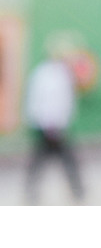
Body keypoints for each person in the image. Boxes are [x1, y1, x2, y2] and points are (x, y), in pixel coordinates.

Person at [24, 33, 85, 204]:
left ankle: (77, 191)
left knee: (54, 160)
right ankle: (76, 191)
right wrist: (49, 125)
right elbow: (44, 101)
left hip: (58, 124)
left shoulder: (62, 73)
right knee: (53, 159)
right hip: (49, 125)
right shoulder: (46, 74)